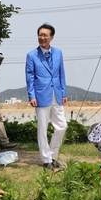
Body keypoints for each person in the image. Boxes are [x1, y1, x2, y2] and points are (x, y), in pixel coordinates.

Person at [25, 23, 67, 170]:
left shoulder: (58, 53)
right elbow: (29, 76)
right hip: (41, 94)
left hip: (57, 93)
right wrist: (31, 95)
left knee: (62, 126)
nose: (42, 37)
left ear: (51, 37)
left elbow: (61, 73)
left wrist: (64, 92)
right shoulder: (32, 55)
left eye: (45, 35)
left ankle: (53, 155)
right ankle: (46, 159)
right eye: (40, 35)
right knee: (42, 128)